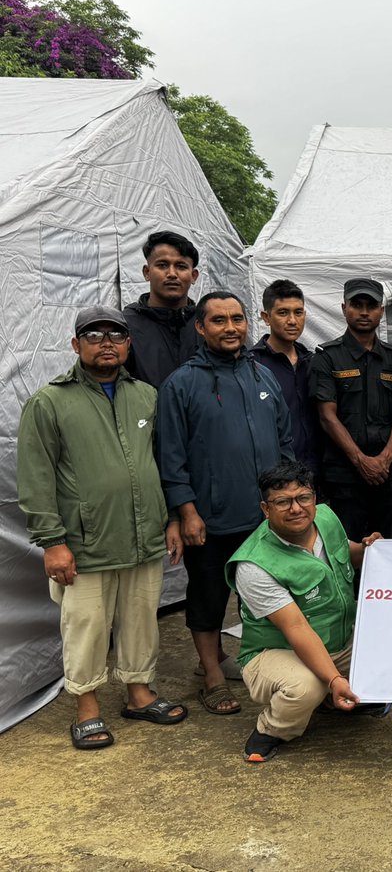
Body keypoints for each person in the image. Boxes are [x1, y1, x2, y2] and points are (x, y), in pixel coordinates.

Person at [17, 307, 187, 749]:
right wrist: (53, 542)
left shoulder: (147, 396)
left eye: (116, 335)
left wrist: (171, 518)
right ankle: (87, 707)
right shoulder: (49, 402)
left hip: (144, 533)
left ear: (129, 344)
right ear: (76, 345)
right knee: (87, 624)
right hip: (85, 540)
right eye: (94, 335)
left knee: (140, 620)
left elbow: (164, 462)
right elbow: (36, 478)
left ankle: (138, 692)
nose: (106, 342)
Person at [157, 291, 294, 715]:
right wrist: (186, 511)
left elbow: (285, 438)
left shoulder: (261, 375)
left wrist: (288, 497)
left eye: (237, 319)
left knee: (267, 595)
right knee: (209, 597)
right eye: (219, 321)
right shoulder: (181, 383)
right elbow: (170, 455)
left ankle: (266, 667)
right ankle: (212, 676)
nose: (231, 327)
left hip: (264, 517)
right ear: (201, 328)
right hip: (211, 518)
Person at [227, 460, 386, 763]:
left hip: (338, 640)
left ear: (314, 499)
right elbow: (297, 630)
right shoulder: (253, 565)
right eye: (282, 502)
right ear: (265, 508)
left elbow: (347, 554)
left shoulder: (325, 518)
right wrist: (334, 679)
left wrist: (370, 550)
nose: (296, 508)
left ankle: (330, 698)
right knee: (306, 686)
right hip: (277, 650)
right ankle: (273, 728)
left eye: (303, 498)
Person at [310, 278, 392, 545]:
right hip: (345, 472)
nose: (364, 312)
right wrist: (361, 461)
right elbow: (326, 416)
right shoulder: (326, 357)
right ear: (344, 308)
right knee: (348, 545)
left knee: (391, 543)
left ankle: (391, 589)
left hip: (387, 472)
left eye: (371, 305)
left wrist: (385, 459)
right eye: (357, 305)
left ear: (381, 310)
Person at [250, 279, 321, 476]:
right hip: (274, 475)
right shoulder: (252, 365)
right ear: (266, 317)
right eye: (283, 313)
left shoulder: (313, 362)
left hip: (316, 472)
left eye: (298, 312)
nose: (292, 320)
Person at [122, 230, 202, 388]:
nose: (172, 274)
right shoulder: (124, 325)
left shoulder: (207, 324)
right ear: (147, 272)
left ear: (193, 276)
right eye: (162, 265)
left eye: (181, 266)